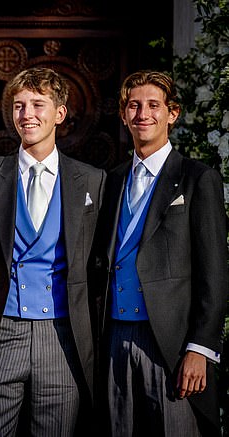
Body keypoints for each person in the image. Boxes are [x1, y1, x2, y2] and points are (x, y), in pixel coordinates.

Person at [0, 67, 106, 436]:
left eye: (38, 104)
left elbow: (100, 262)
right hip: (1, 330)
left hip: (61, 334)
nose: (27, 114)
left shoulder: (91, 180)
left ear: (59, 114)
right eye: (19, 106)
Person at [91, 70, 227, 436]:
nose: (143, 114)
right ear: (123, 115)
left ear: (173, 113)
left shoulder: (199, 178)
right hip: (116, 336)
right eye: (134, 106)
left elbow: (214, 274)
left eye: (154, 105)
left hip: (170, 345)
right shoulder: (112, 179)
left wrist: (200, 349)